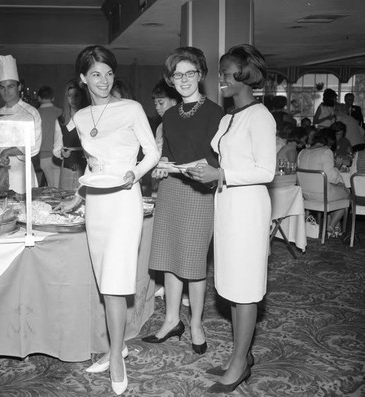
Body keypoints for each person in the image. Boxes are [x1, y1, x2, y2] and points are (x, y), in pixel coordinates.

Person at [55, 45, 159, 395]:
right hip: (96, 203)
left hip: (124, 199)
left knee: (115, 282)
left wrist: (135, 173)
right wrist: (78, 194)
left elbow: (153, 151)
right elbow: (92, 164)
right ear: (83, 79)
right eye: (96, 74)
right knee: (104, 281)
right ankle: (118, 345)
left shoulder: (131, 108)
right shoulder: (81, 118)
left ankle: (116, 355)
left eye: (109, 73)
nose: (103, 80)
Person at [186, 44, 276, 393]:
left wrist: (220, 173)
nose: (219, 79)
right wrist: (203, 172)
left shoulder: (261, 117)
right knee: (232, 286)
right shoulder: (228, 118)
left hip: (249, 210)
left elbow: (266, 170)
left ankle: (239, 364)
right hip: (226, 207)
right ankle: (242, 355)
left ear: (244, 75)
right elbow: (222, 163)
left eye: (225, 73)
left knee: (246, 289)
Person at [142, 47, 224, 360]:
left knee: (192, 262)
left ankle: (197, 324)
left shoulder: (215, 113)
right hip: (172, 191)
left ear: (201, 75)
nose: (185, 79)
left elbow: (213, 160)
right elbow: (170, 153)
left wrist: (175, 165)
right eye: (178, 74)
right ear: (171, 80)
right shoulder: (170, 115)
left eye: (191, 73)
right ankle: (171, 320)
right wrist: (163, 162)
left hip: (200, 193)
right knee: (169, 258)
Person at [0, 55, 42, 194]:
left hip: (21, 174)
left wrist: (7, 151)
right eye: (2, 87)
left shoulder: (30, 112)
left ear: (19, 87)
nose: (6, 91)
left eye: (10, 86)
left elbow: (34, 146)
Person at [297, 128, 349, 237]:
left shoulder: (302, 152)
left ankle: (335, 227)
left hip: (305, 195)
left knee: (338, 193)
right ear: (330, 141)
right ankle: (331, 226)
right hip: (323, 195)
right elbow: (332, 177)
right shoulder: (326, 152)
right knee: (347, 194)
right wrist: (337, 166)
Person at [53, 79, 88, 190]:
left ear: (82, 96)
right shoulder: (61, 120)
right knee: (66, 201)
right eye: (69, 96)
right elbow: (57, 148)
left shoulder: (88, 118)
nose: (73, 99)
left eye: (76, 95)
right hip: (67, 170)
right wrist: (62, 153)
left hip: (86, 170)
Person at [37, 85, 63, 188]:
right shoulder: (60, 112)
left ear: (39, 98)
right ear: (53, 98)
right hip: (59, 155)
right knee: (61, 188)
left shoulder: (36, 114)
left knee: (51, 188)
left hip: (43, 157)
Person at [151, 78, 181, 154]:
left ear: (174, 102)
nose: (157, 107)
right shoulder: (160, 127)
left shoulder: (182, 125)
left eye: (161, 103)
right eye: (155, 103)